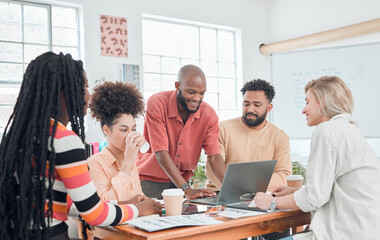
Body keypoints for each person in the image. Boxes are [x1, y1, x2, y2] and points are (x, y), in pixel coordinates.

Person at [0, 52, 162, 240]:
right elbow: (94, 215)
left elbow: (69, 204)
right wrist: (137, 210)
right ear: (63, 90)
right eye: (84, 86)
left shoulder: (21, 136)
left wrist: (122, 203)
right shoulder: (65, 140)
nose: (89, 94)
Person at [254, 76, 380, 240]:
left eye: (307, 102)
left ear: (323, 102)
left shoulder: (326, 131)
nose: (303, 110)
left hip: (344, 233)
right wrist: (297, 191)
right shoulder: (349, 129)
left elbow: (314, 198)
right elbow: (332, 188)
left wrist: (270, 203)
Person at [137, 65, 226, 199]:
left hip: (181, 184)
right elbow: (161, 152)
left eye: (202, 93)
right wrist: (186, 189)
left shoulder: (209, 115)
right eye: (191, 92)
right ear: (177, 85)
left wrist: (232, 188)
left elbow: (214, 156)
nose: (197, 98)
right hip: (149, 182)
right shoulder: (157, 103)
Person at [206, 79, 292, 190]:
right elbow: (213, 172)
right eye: (246, 104)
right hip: (221, 195)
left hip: (260, 197)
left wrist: (249, 185)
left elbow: (283, 175)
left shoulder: (280, 137)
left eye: (257, 105)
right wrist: (247, 185)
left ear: (269, 108)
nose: (250, 109)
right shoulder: (222, 129)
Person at [88, 81, 146, 201]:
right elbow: (105, 204)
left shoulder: (131, 163)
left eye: (133, 129)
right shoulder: (94, 163)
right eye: (124, 130)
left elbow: (139, 198)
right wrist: (127, 163)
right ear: (106, 130)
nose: (130, 135)